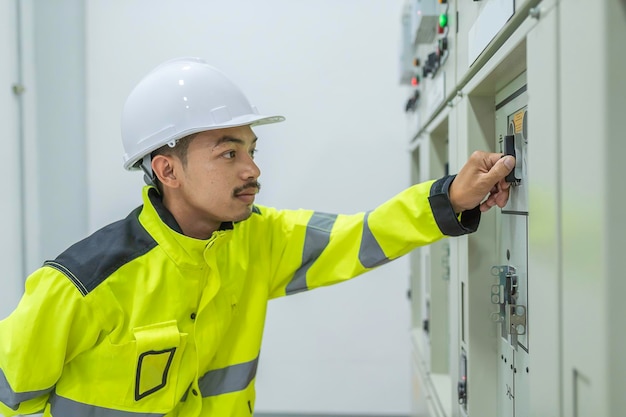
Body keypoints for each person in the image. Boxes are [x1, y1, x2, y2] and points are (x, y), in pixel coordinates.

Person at [0, 57, 514, 417]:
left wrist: (452, 197)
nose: (253, 170)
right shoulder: (80, 285)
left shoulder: (257, 239)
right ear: (167, 170)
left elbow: (364, 233)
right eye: (229, 153)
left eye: (252, 149)